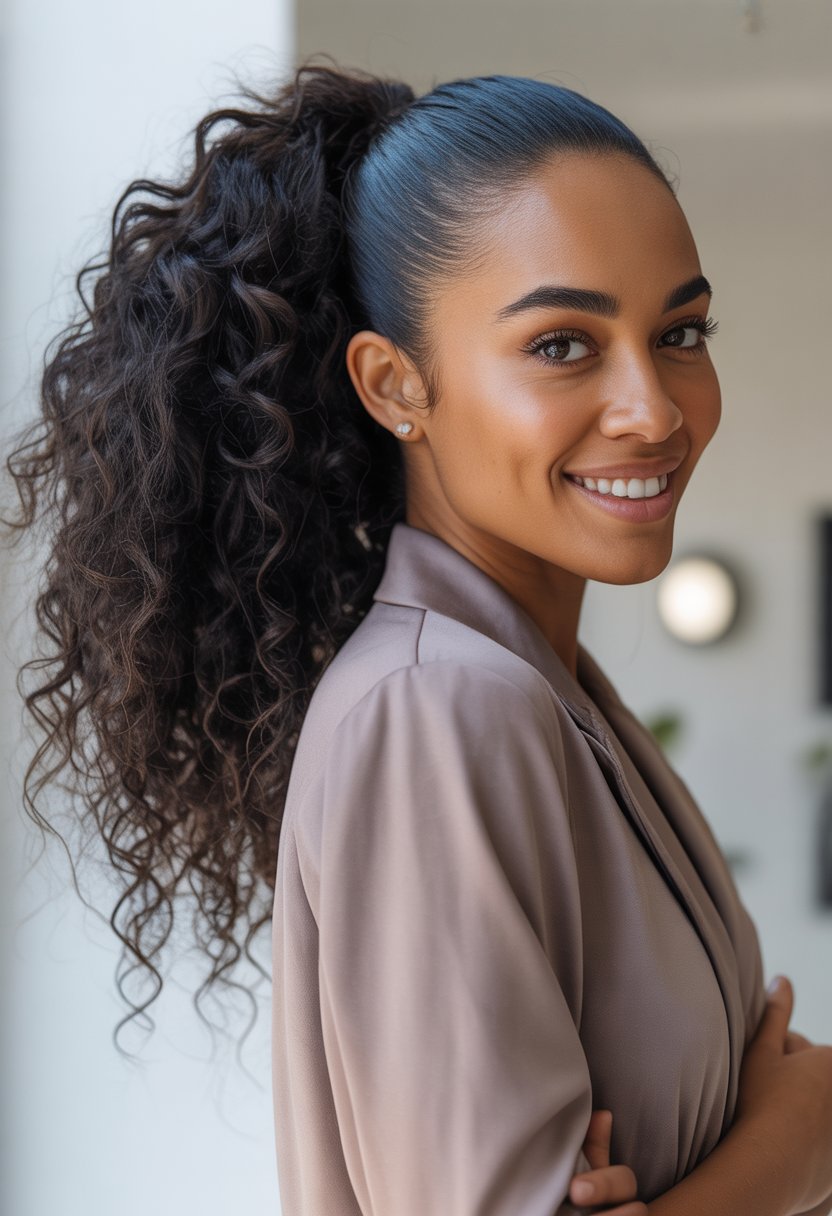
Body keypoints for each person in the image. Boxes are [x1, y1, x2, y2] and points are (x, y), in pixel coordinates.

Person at [4, 55, 832, 1216]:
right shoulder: (437, 706)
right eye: (562, 344)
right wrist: (790, 1148)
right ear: (396, 385)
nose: (653, 409)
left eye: (681, 331)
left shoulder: (546, 695)